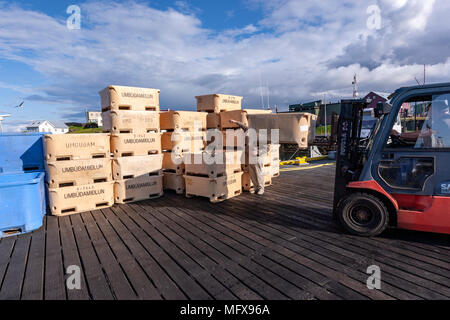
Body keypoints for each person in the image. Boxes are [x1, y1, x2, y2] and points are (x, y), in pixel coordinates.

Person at [229, 119, 265, 195]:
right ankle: (256, 188)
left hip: (257, 157)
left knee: (258, 173)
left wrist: (258, 153)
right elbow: (244, 127)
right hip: (249, 156)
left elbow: (266, 148)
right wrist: (235, 122)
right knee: (252, 173)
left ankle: (261, 189)